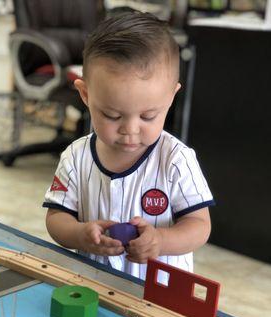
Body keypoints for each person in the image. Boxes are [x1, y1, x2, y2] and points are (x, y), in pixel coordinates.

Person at [43, 11, 214, 283]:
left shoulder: (175, 159)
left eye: (148, 116)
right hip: (92, 285)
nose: (130, 129)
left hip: (160, 294)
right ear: (86, 94)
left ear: (171, 97)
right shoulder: (75, 157)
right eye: (112, 115)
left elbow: (199, 226)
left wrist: (160, 240)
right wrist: (79, 234)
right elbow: (56, 217)